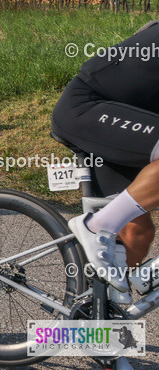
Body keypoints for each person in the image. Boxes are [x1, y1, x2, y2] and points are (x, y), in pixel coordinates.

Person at [54, 20, 159, 306]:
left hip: (128, 122)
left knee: (137, 232)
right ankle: (94, 226)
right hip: (87, 109)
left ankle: (101, 313)